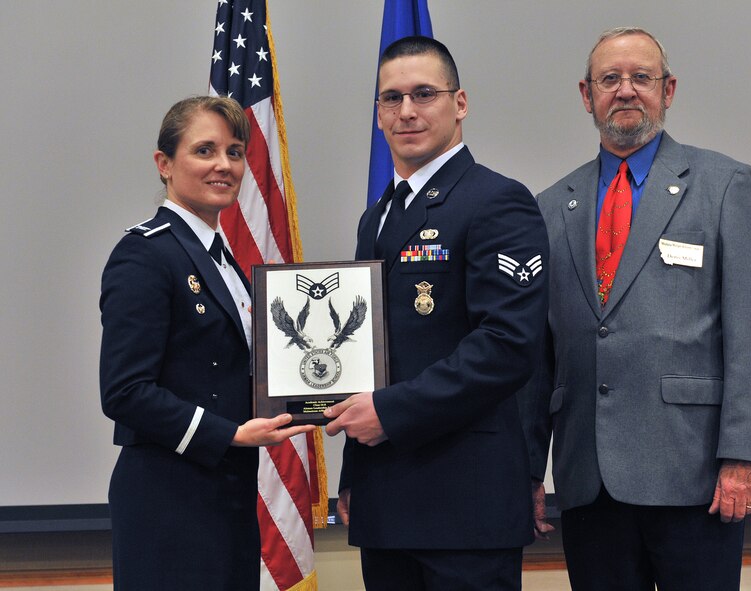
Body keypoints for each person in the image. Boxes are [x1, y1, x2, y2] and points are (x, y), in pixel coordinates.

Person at [529, 27, 751, 590]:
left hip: (695, 479)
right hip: (588, 479)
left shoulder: (724, 185)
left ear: (668, 91)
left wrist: (746, 455)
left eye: (641, 78)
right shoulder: (550, 207)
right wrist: (530, 469)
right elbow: (539, 354)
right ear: (586, 94)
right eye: (609, 79)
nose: (625, 90)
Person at [323, 36, 549, 590]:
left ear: (460, 103)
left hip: (465, 501)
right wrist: (354, 471)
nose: (407, 111)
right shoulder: (375, 219)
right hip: (385, 492)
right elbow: (368, 352)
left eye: (424, 94)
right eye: (391, 98)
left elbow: (506, 345)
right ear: (378, 114)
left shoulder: (498, 201)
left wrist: (392, 413)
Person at [99, 96, 314, 590]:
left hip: (223, 494)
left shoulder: (220, 258)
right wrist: (232, 435)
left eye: (235, 152)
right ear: (165, 164)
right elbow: (125, 392)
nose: (224, 165)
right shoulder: (145, 255)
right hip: (169, 501)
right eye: (205, 150)